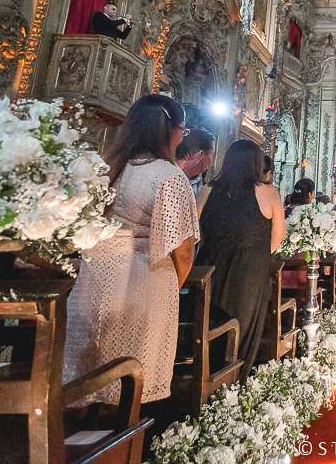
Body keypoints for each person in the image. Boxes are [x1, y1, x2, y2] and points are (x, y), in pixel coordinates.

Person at [65, 94, 198, 404]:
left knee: (86, 376)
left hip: (93, 277)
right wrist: (169, 288)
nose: (182, 136)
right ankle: (124, 445)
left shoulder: (108, 168)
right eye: (183, 129)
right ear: (170, 131)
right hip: (141, 281)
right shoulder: (168, 175)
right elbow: (184, 251)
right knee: (131, 380)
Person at [195, 141, 285, 381]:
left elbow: (196, 230)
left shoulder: (207, 189)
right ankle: (234, 383)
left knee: (208, 322)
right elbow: (279, 235)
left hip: (209, 267)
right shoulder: (267, 191)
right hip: (249, 272)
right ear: (256, 164)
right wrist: (255, 254)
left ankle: (205, 377)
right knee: (242, 325)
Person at [175, 129, 214, 196]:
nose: (211, 161)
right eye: (211, 154)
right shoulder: (169, 178)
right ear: (200, 154)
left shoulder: (198, 181)